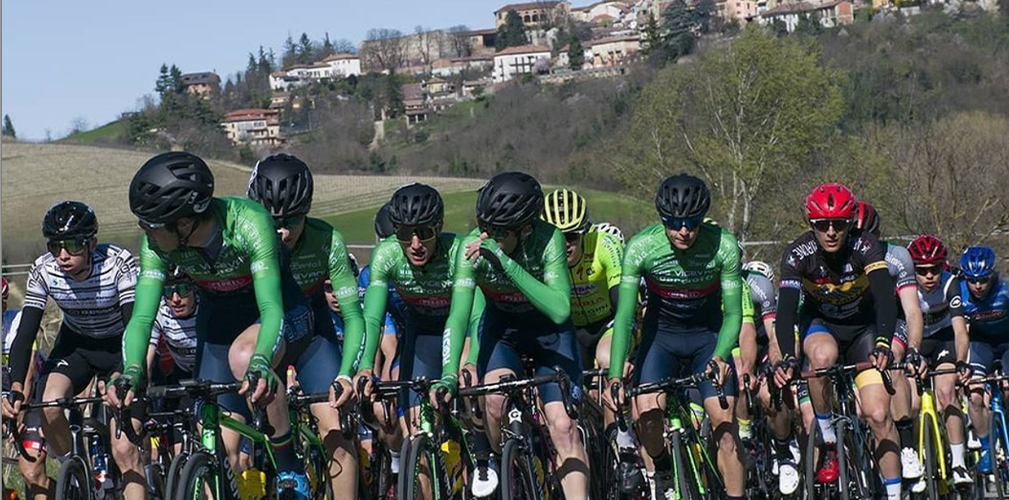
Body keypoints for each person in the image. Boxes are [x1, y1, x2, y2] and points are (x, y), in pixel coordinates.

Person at [109, 151, 314, 499]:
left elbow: (270, 307)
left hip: (277, 312)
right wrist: (131, 370)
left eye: (150, 224)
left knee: (246, 357)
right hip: (219, 324)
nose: (143, 231)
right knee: (218, 446)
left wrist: (262, 360)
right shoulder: (157, 244)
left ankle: (287, 463)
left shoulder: (248, 223)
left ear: (184, 223)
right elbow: (142, 317)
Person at [441, 172, 588, 499]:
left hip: (551, 336)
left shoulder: (548, 239)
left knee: (563, 427)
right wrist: (449, 374)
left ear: (525, 229)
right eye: (484, 226)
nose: (487, 236)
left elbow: (560, 309)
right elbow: (458, 316)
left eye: (498, 232)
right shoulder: (471, 248)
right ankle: (505, 465)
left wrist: (505, 264)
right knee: (494, 402)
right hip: (503, 332)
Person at [607, 174, 746, 500]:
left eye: (692, 223)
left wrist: (721, 355)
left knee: (725, 427)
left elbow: (733, 314)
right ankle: (662, 467)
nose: (684, 231)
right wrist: (614, 374)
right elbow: (625, 317)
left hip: (707, 339)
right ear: (662, 219)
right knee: (648, 415)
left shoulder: (723, 245)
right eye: (674, 223)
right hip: (661, 339)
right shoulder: (642, 247)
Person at [345, 183, 483, 499]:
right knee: (418, 431)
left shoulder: (458, 252)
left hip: (461, 330)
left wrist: (458, 369)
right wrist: (364, 366)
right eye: (406, 234)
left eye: (424, 232)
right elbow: (372, 319)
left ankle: (480, 450)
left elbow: (467, 318)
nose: (416, 244)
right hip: (421, 336)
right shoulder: (387, 255)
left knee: (469, 392)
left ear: (439, 227)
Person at [1, 201, 147, 500]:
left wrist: (124, 373)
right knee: (49, 404)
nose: (63, 255)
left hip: (119, 344)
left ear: (91, 243)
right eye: (55, 246)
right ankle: (78, 470)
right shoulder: (44, 270)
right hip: (77, 345)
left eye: (72, 245)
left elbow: (134, 325)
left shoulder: (117, 263)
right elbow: (26, 333)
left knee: (124, 450)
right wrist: (15, 387)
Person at [771, 183, 902, 500]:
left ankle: (895, 493)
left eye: (839, 224)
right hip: (822, 326)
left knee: (879, 416)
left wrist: (883, 342)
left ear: (850, 223)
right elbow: (785, 311)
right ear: (811, 224)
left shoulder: (865, 245)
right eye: (822, 225)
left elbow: (885, 297)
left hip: (862, 331)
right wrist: (788, 357)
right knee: (821, 358)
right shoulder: (798, 253)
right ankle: (828, 437)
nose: (831, 232)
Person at [246, 153, 364, 498]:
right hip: (261, 332)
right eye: (272, 221)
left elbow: (353, 317)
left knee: (335, 428)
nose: (282, 232)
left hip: (313, 333)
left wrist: (346, 374)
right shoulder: (243, 236)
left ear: (307, 212)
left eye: (292, 220)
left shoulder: (327, 240)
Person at [905, 235, 972, 486]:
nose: (929, 276)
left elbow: (960, 330)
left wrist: (961, 361)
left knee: (945, 393)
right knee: (911, 404)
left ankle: (958, 463)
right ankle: (913, 459)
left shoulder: (950, 283)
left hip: (943, 341)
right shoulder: (905, 285)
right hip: (916, 342)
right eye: (922, 271)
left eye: (935, 269)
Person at [960, 246, 1009, 473]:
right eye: (972, 280)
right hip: (981, 344)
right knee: (975, 396)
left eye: (983, 280)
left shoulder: (1005, 290)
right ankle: (987, 448)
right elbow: (958, 330)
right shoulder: (960, 294)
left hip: (1007, 342)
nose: (978, 286)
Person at [3, 276, 52, 500]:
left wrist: (19, 412)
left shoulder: (18, 322)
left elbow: (29, 372)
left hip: (31, 402)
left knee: (32, 473)